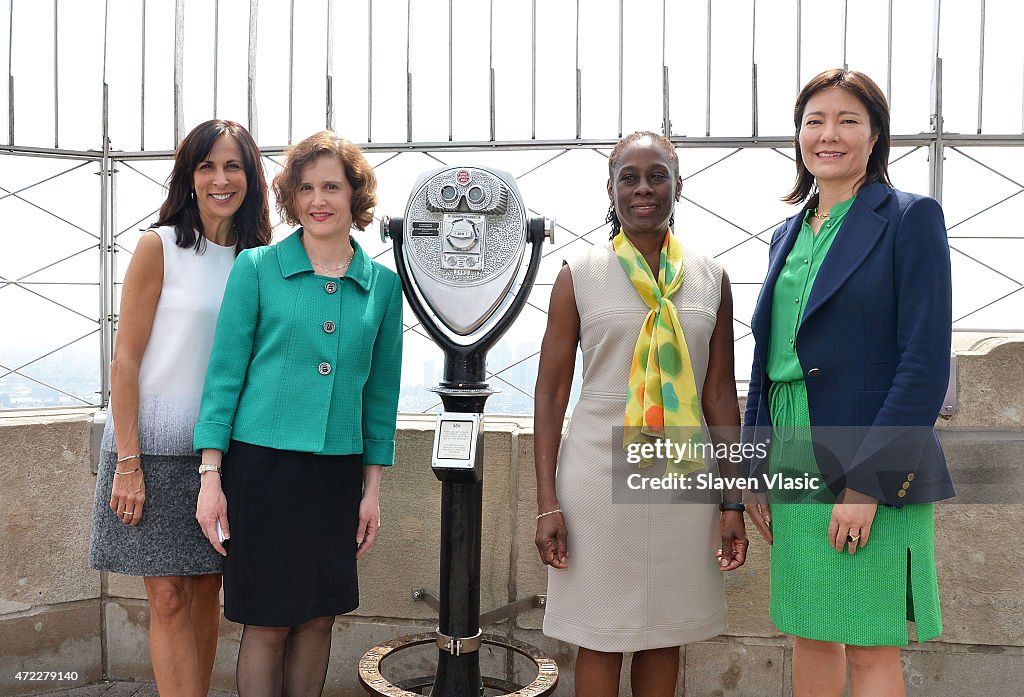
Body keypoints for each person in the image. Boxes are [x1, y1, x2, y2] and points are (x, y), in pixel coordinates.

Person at [742, 69, 956, 697]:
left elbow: (923, 364)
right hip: (790, 442)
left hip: (866, 451)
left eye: (847, 121)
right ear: (799, 137)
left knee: (868, 637)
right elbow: (768, 357)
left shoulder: (909, 219)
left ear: (874, 136)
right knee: (809, 630)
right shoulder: (787, 233)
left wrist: (867, 483)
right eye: (814, 121)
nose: (827, 135)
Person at [534, 131, 747, 697]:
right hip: (596, 477)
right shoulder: (577, 274)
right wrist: (546, 502)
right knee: (599, 635)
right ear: (611, 189)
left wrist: (733, 499)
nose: (643, 189)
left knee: (665, 634)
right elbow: (551, 392)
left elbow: (720, 394)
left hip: (683, 479)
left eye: (658, 176)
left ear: (680, 186)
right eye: (630, 177)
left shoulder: (711, 277)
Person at [193, 131, 403, 697]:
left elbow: (380, 396)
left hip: (336, 476)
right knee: (265, 624)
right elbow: (224, 376)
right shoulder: (258, 268)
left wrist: (371, 490)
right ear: (290, 196)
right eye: (306, 187)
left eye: (332, 186)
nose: (319, 199)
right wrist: (210, 477)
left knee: (317, 618)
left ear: (354, 195)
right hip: (260, 471)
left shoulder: (382, 286)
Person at [89, 119, 272, 697]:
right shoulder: (157, 246)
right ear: (188, 177)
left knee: (205, 590)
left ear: (251, 178)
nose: (220, 179)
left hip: (223, 453)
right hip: (149, 449)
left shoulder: (261, 260)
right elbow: (125, 363)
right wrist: (127, 462)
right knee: (165, 595)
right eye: (207, 166)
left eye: (233, 166)